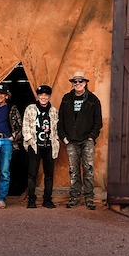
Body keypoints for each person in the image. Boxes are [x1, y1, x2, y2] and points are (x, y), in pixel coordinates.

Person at [57, 69, 101, 210]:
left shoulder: (93, 100)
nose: (77, 83)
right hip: (71, 141)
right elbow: (60, 121)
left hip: (86, 140)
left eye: (80, 81)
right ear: (72, 83)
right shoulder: (66, 99)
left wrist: (91, 137)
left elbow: (98, 121)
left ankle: (89, 198)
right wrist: (64, 138)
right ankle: (74, 197)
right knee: (73, 171)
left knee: (88, 169)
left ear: (85, 83)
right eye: (75, 81)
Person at [20, 84, 59, 208]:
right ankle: (31, 199)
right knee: (32, 174)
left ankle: (47, 200)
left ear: (49, 96)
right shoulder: (31, 109)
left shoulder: (53, 110)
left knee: (49, 174)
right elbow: (25, 125)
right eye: (41, 95)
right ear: (38, 96)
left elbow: (56, 128)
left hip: (49, 145)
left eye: (46, 95)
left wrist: (56, 141)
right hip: (35, 145)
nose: (43, 97)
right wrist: (30, 141)